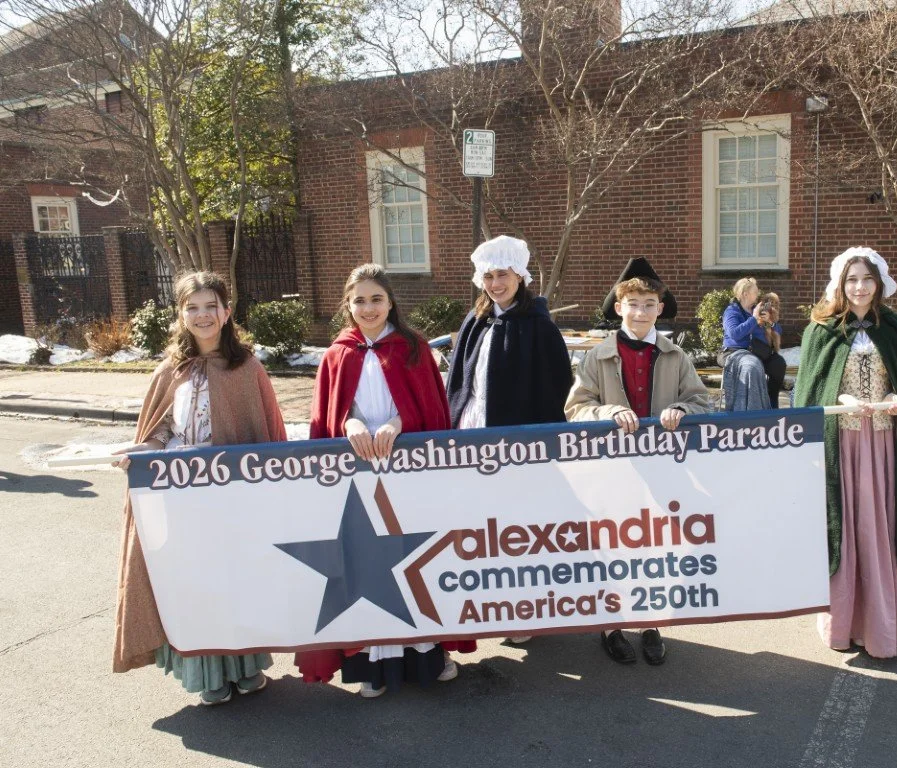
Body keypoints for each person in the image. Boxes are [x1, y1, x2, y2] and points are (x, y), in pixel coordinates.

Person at [294, 263, 475, 696]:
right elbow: (327, 413)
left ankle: (428, 656)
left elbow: (432, 407)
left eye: (376, 298)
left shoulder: (413, 348)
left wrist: (398, 422)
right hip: (357, 479)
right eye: (359, 300)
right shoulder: (337, 353)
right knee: (366, 567)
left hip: (407, 476)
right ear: (348, 304)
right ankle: (371, 667)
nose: (368, 307)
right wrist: (349, 424)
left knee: (413, 560)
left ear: (391, 301)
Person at [111, 271, 287, 705]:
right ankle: (207, 673)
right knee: (192, 584)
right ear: (181, 314)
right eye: (193, 307)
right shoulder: (172, 370)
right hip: (180, 498)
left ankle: (245, 668)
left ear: (227, 313)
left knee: (234, 579)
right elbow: (159, 431)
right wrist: (137, 450)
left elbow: (265, 433)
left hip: (231, 500)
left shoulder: (247, 368)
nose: (203, 315)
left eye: (212, 306)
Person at [792, 247, 897, 659]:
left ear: (879, 284)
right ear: (840, 285)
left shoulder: (892, 327)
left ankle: (888, 621)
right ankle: (845, 622)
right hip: (841, 445)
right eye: (852, 280)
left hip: (883, 445)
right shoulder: (821, 330)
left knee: (883, 524)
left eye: (867, 280)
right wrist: (840, 396)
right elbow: (810, 391)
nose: (860, 288)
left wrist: (895, 396)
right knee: (847, 525)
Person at [565, 268, 710, 666]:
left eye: (649, 305)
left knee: (653, 546)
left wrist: (682, 408)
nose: (641, 312)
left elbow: (701, 400)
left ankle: (650, 622)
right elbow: (576, 409)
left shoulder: (676, 355)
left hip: (661, 469)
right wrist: (609, 411)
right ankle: (611, 625)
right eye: (633, 305)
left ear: (660, 310)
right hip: (612, 469)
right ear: (619, 308)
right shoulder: (597, 355)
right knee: (611, 545)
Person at [446, 235, 573, 644]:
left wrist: (539, 446)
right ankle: (487, 605)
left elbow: (558, 388)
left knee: (515, 530)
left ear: (520, 275)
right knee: (478, 528)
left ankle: (522, 611)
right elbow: (459, 380)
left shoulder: (538, 325)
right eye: (488, 275)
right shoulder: (476, 320)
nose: (495, 283)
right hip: (472, 433)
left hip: (515, 446)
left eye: (502, 274)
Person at [718, 277, 787, 410]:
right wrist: (754, 319)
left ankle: (771, 403)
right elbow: (735, 333)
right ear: (745, 294)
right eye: (755, 292)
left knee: (779, 364)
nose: (758, 295)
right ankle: (750, 406)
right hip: (735, 351)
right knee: (752, 366)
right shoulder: (732, 311)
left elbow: (778, 330)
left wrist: (770, 322)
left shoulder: (757, 309)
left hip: (757, 350)